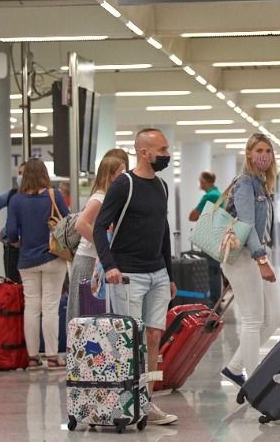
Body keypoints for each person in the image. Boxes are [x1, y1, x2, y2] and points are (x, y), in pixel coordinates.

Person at [93, 128, 179, 426]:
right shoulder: (123, 184)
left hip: (156, 274)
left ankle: (147, 403)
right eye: (163, 149)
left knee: (154, 336)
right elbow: (98, 227)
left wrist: (168, 272)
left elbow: (163, 232)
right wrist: (110, 266)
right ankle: (122, 401)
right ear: (144, 152)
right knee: (129, 340)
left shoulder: (163, 187)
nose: (167, 154)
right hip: (127, 275)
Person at [219, 133, 280, 388]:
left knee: (275, 316)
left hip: (257, 254)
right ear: (248, 154)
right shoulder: (245, 183)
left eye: (268, 150)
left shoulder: (262, 184)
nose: (264, 155)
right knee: (253, 319)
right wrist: (262, 260)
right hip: (242, 257)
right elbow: (246, 224)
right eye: (259, 150)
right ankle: (255, 382)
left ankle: (235, 367)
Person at [5, 158, 69, 370]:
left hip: (27, 260)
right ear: (44, 174)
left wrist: (21, 242)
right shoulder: (54, 196)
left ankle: (33, 357)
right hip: (53, 257)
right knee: (50, 308)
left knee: (31, 308)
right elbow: (66, 224)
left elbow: (11, 233)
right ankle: (52, 357)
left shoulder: (16, 200)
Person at [68, 151, 129, 323]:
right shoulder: (99, 198)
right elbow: (80, 224)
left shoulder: (108, 197)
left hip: (96, 261)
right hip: (88, 261)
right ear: (110, 176)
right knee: (83, 310)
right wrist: (103, 244)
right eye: (121, 173)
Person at [188, 170, 224, 304]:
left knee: (211, 270)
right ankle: (216, 299)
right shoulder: (219, 194)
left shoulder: (210, 196)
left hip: (210, 238)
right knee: (214, 269)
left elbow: (192, 216)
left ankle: (213, 301)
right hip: (218, 236)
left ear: (204, 180)